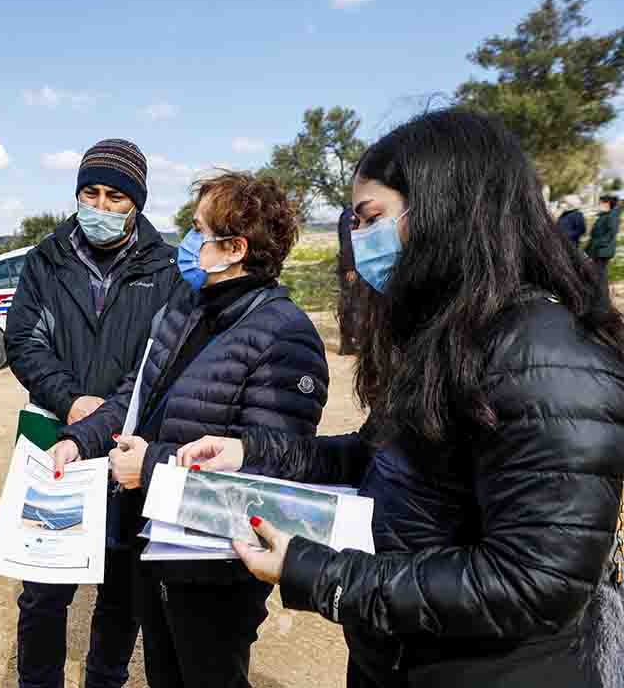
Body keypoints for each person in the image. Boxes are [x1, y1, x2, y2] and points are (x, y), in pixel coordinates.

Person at [178, 109, 624, 688]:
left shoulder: (546, 359)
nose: (359, 243)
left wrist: (319, 573)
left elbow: (533, 583)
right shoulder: (452, 333)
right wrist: (249, 453)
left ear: (447, 212)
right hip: (403, 654)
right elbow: (378, 456)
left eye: (371, 220)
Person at [52, 171, 329, 688]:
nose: (188, 240)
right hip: (156, 542)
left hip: (216, 568)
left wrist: (151, 467)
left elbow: (268, 469)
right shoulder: (187, 306)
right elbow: (135, 394)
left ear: (234, 247)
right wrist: (79, 438)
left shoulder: (285, 336)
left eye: (198, 229)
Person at [5, 138, 180, 688]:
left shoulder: (169, 267)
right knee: (42, 592)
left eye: (116, 197)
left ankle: (105, 679)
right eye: (91, 192)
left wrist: (115, 414)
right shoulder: (45, 260)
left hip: (130, 448)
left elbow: (167, 352)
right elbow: (24, 343)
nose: (100, 207)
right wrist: (72, 401)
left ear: (138, 203)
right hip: (55, 440)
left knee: (122, 589)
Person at [337, 206, 362, 355]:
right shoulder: (350, 215)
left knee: (352, 303)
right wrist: (350, 267)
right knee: (352, 304)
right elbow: (348, 242)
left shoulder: (350, 213)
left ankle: (350, 342)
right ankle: (350, 342)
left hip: (356, 264)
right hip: (351, 266)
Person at [586, 195, 620, 297]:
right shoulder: (604, 215)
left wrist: (597, 244)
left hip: (603, 251)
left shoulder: (611, 216)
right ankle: (599, 295)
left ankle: (601, 297)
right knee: (599, 274)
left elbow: (610, 235)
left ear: (607, 203)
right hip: (598, 250)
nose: (599, 205)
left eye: (601, 202)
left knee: (601, 275)